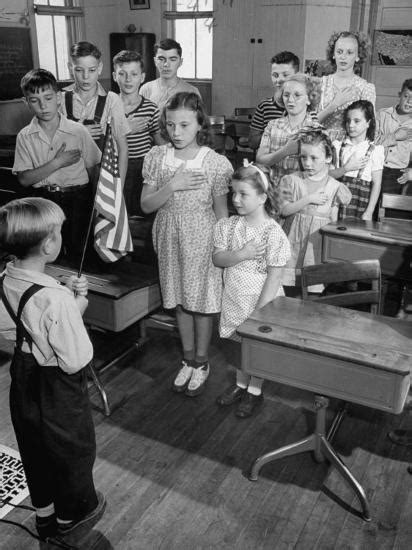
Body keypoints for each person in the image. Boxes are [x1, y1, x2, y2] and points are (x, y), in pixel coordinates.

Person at [0, 198, 105, 541]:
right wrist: (77, 307)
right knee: (71, 450)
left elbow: (15, 325)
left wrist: (62, 295)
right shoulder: (56, 299)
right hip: (57, 388)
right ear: (48, 244)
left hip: (22, 381)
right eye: (58, 232)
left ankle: (44, 513)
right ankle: (73, 514)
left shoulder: (4, 277)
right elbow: (75, 358)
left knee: (34, 447)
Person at [141, 92, 233, 397]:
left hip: (202, 238)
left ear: (198, 124)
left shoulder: (215, 163)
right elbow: (146, 204)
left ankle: (202, 362)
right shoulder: (156, 157)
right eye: (170, 125)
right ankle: (188, 358)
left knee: (202, 302)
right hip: (168, 236)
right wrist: (172, 185)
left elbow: (221, 210)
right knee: (180, 299)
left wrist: (223, 247)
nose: (176, 132)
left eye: (184, 124)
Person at [213, 163, 290, 418]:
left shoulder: (273, 234)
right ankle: (240, 385)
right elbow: (218, 259)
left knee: (257, 348)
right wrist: (241, 254)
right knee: (239, 347)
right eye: (233, 193)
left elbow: (274, 277)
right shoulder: (229, 226)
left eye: (243, 194)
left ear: (262, 198)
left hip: (260, 302)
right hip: (234, 297)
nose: (235, 199)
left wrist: (260, 313)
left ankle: (254, 391)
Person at [12, 69, 101, 261]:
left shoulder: (78, 131)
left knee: (80, 254)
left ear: (59, 97)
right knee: (49, 253)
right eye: (34, 100)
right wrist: (57, 162)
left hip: (78, 199)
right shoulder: (25, 136)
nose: (43, 105)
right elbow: (25, 179)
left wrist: (96, 204)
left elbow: (94, 168)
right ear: (26, 102)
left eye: (48, 97)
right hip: (44, 201)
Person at [277, 128, 351, 292]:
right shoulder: (292, 180)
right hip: (293, 243)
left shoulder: (335, 187)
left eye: (314, 158)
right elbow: (284, 211)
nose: (308, 163)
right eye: (303, 157)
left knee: (314, 290)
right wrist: (308, 199)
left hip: (316, 246)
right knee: (289, 289)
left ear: (328, 158)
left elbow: (333, 220)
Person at [61, 41, 129, 183]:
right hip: (68, 178)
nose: (86, 77)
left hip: (101, 180)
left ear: (100, 68)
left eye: (91, 70)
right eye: (79, 70)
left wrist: (118, 189)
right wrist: (79, 133)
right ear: (70, 68)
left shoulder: (111, 100)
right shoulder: (60, 99)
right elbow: (50, 144)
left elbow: (123, 149)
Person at [113, 49, 162, 217]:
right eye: (122, 74)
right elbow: (102, 142)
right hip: (116, 166)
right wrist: (126, 128)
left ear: (142, 77)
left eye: (134, 74)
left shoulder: (150, 108)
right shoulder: (108, 106)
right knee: (120, 214)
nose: (128, 79)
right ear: (114, 76)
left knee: (143, 214)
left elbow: (160, 144)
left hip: (143, 168)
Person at [256, 73, 320, 188]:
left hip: (303, 193)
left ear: (309, 99)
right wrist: (285, 151)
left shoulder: (317, 130)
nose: (290, 100)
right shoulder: (272, 125)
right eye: (286, 95)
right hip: (273, 190)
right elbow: (260, 160)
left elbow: (320, 172)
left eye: (297, 95)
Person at [317, 31, 376, 142]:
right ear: (333, 54)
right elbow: (309, 124)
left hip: (350, 147)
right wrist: (334, 105)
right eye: (339, 52)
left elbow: (369, 126)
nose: (343, 57)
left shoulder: (365, 88)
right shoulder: (320, 84)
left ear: (358, 56)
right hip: (320, 145)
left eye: (349, 52)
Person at [330, 99, 384, 220]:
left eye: (357, 121)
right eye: (348, 121)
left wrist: (369, 211)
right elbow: (329, 175)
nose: (351, 125)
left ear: (368, 123)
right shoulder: (338, 146)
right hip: (336, 200)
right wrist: (346, 168)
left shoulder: (375, 150)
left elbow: (377, 183)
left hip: (361, 201)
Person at [375, 78, 412, 218]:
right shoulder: (382, 114)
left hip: (397, 175)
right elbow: (371, 142)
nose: (409, 102)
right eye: (406, 96)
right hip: (375, 168)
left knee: (389, 215)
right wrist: (395, 137)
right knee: (371, 210)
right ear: (399, 94)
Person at [249, 51, 300, 151]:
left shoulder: (305, 106)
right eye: (275, 75)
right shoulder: (264, 106)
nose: (279, 80)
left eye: (285, 75)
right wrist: (273, 132)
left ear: (297, 75)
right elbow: (252, 143)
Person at [139, 38, 201, 112]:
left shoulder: (192, 91)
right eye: (161, 59)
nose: (166, 64)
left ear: (180, 62)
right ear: (155, 61)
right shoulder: (146, 89)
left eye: (172, 59)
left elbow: (198, 122)